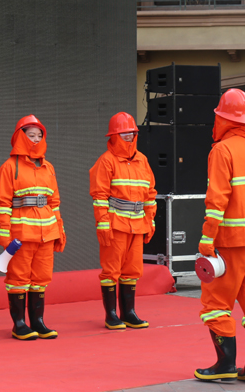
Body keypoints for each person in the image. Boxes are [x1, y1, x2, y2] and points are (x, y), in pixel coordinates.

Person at [195, 89, 245, 385]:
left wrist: (207, 240)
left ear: (223, 118)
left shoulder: (222, 150)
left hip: (231, 242)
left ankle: (225, 364)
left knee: (215, 303)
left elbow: (217, 200)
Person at [0, 115, 66, 340]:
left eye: (39, 136)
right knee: (18, 279)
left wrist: (59, 230)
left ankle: (38, 323)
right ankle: (19, 325)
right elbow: (2, 204)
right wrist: (4, 235)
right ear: (20, 137)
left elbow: (54, 202)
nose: (36, 140)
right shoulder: (9, 167)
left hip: (46, 234)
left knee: (41, 279)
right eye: (31, 135)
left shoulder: (48, 167)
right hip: (21, 236)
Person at [89, 111, 157, 330]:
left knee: (133, 269)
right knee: (111, 270)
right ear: (114, 135)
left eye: (132, 133)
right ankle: (111, 315)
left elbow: (150, 194)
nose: (129, 137)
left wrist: (150, 222)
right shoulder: (106, 161)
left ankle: (129, 313)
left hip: (137, 224)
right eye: (124, 133)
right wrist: (103, 224)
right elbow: (99, 196)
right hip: (115, 223)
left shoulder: (142, 160)